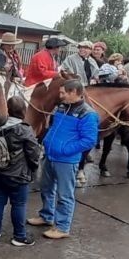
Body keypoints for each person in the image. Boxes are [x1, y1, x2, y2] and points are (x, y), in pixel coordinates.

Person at [27, 79, 99, 239]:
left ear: (73, 92)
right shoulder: (62, 107)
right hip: (51, 155)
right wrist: (47, 141)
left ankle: (62, 227)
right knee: (46, 188)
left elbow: (89, 140)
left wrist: (66, 150)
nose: (60, 96)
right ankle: (46, 216)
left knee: (64, 194)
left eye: (62, 93)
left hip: (66, 160)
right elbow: (54, 127)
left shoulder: (87, 114)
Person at [0, 97, 41, 246]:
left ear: (7, 110)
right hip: (17, 175)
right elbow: (34, 153)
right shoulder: (24, 129)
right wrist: (33, 169)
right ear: (24, 111)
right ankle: (19, 236)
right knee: (19, 204)